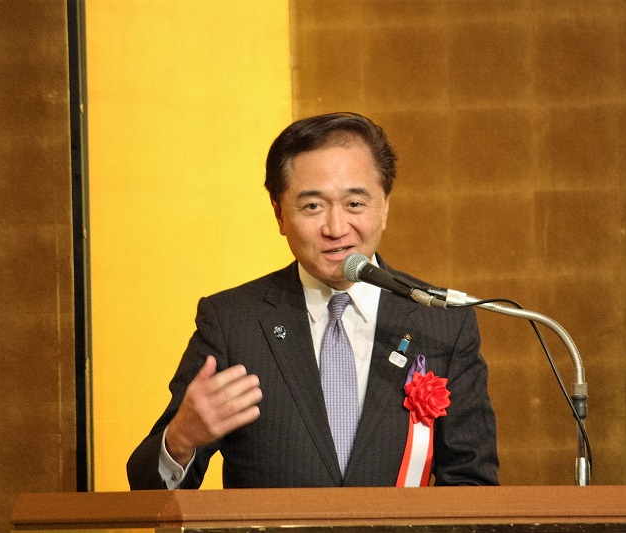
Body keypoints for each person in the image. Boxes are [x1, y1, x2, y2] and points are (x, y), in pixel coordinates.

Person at [127, 112, 499, 489]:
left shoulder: (441, 322)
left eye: (355, 204)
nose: (336, 228)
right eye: (312, 207)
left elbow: (472, 483)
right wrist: (180, 440)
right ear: (279, 214)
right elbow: (147, 490)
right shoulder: (232, 323)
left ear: (384, 207)